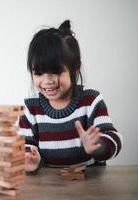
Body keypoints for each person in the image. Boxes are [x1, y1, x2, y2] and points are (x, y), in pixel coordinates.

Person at [20, 20, 122, 173]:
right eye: (38, 73)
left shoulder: (91, 101)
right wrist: (31, 160)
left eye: (56, 71)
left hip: (90, 184)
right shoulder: (30, 109)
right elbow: (26, 147)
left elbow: (114, 139)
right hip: (49, 187)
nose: (47, 81)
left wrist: (98, 146)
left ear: (75, 69)